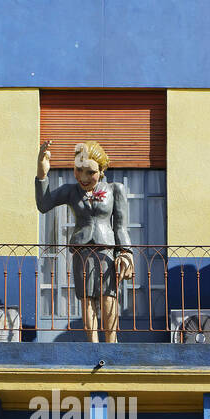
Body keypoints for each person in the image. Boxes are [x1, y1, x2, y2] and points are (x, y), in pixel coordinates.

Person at [35, 137, 134, 342]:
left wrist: (126, 252)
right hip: (82, 252)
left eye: (90, 172)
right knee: (86, 299)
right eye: (79, 170)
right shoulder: (71, 191)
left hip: (106, 251)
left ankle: (111, 344)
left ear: (102, 170)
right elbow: (44, 205)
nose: (84, 177)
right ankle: (92, 345)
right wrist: (42, 174)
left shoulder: (115, 190)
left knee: (109, 298)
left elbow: (121, 226)